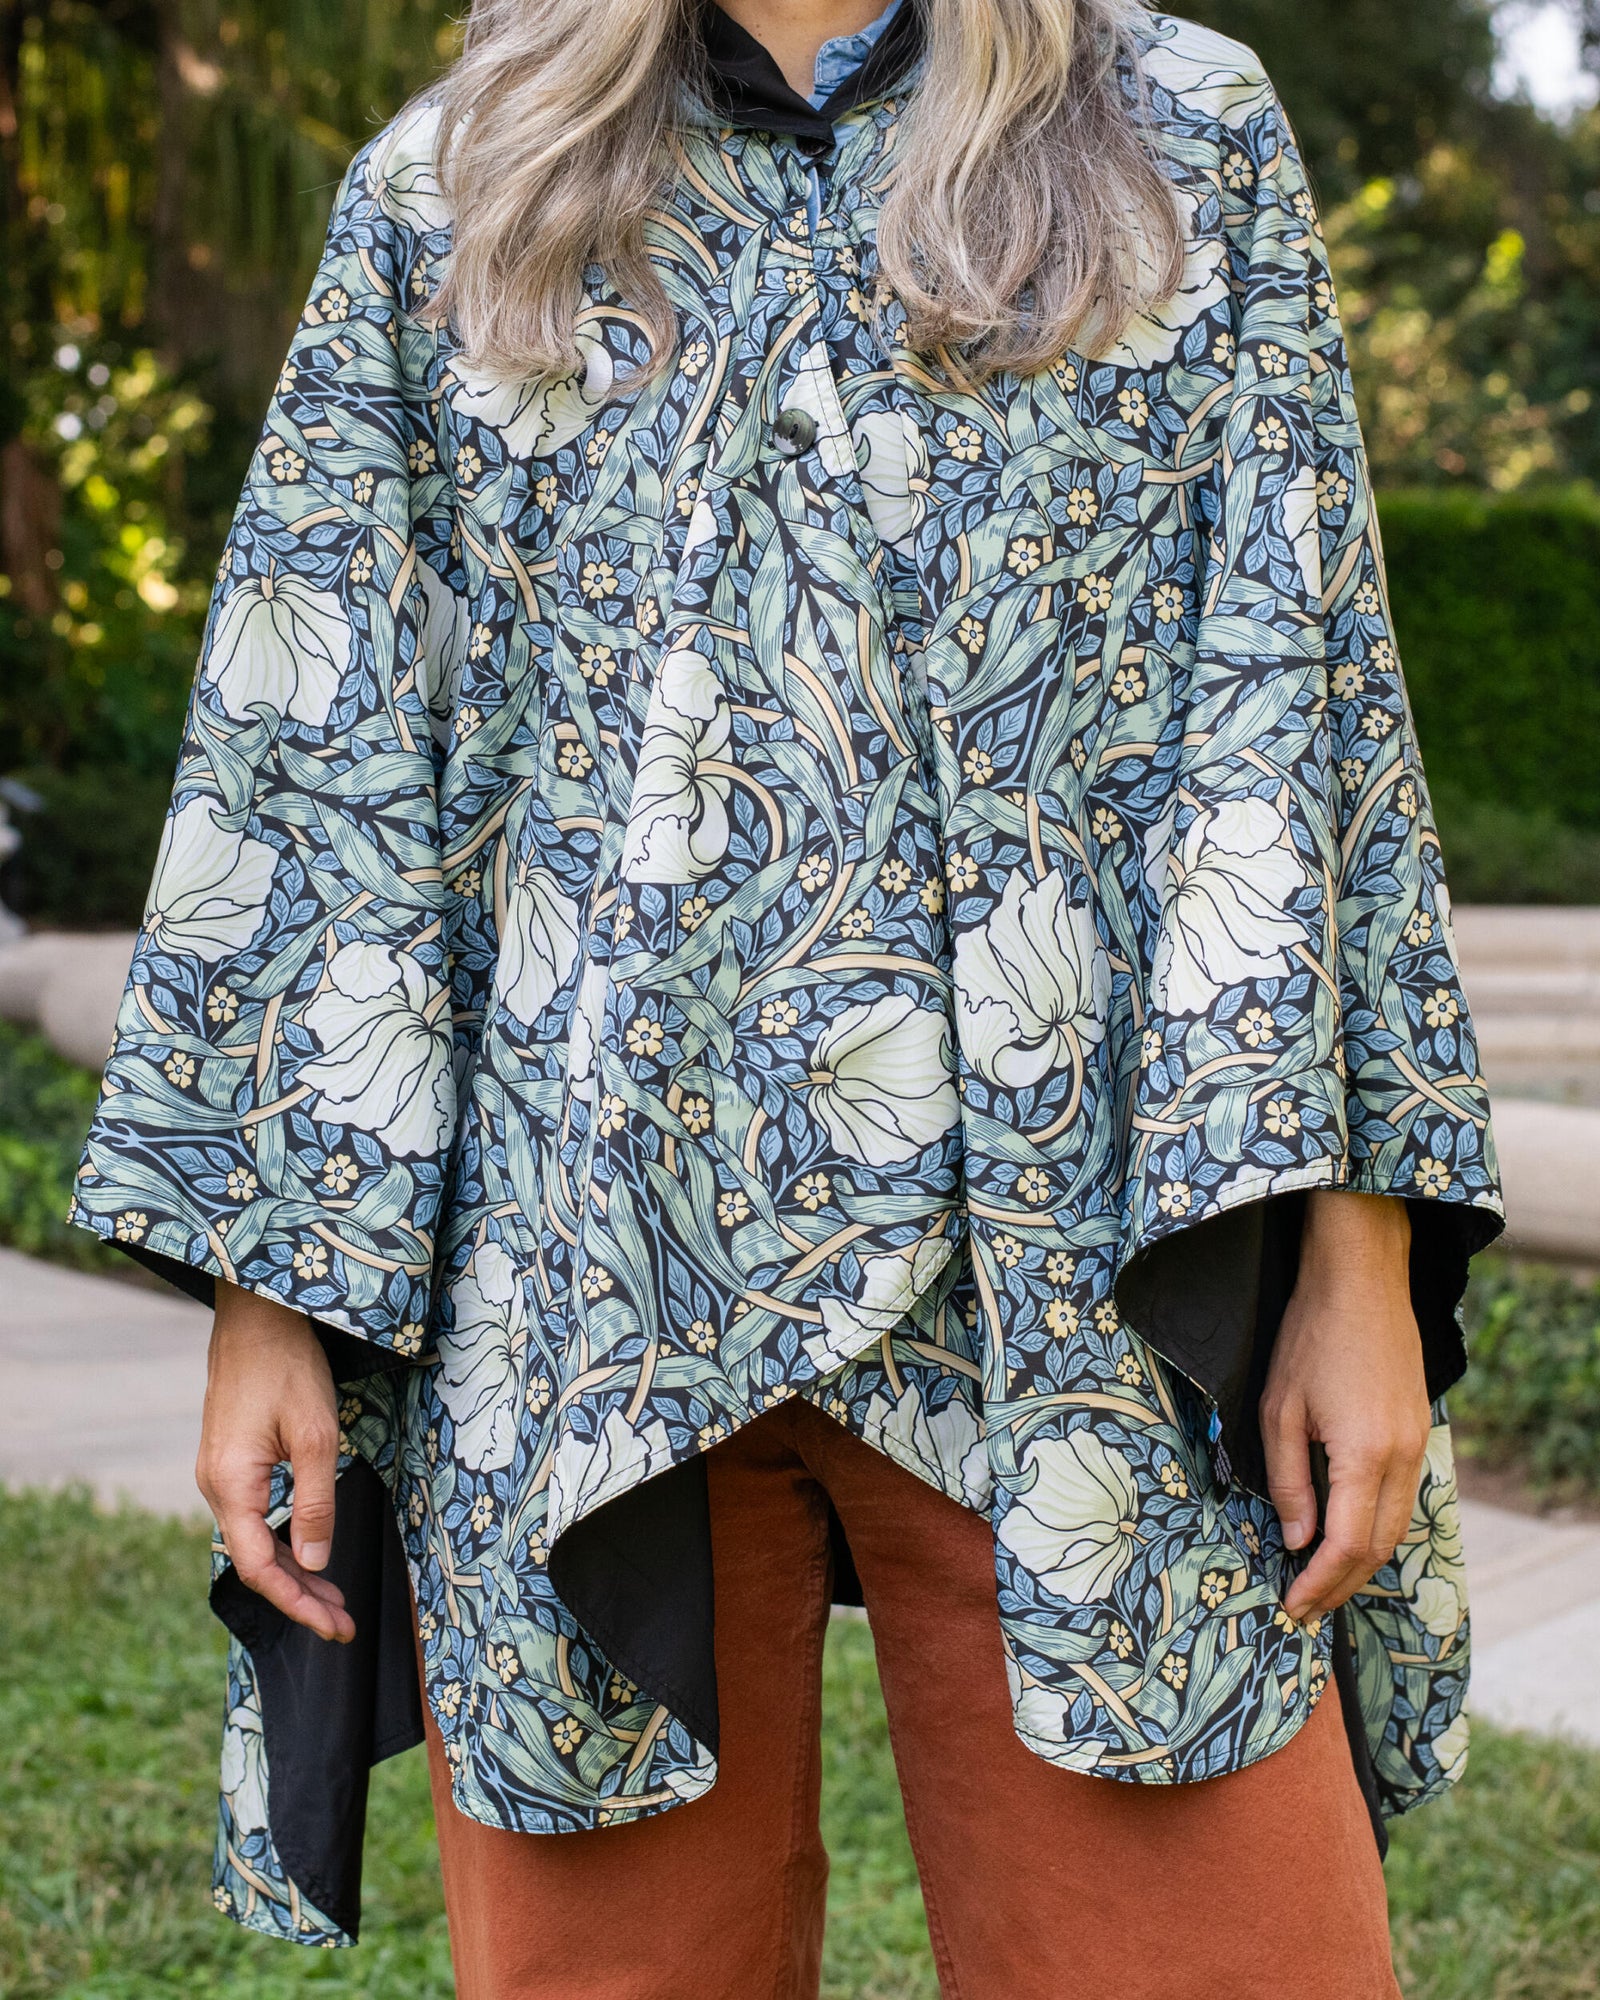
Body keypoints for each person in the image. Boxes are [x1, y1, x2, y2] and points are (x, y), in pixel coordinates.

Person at [71, 0, 1504, 1992]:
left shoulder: (1172, 131)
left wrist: (1343, 1249)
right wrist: (273, 1300)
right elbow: (320, 743)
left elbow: (1298, 696)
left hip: (1078, 1262)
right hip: (594, 1280)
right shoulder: (456, 184)